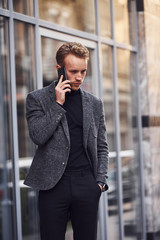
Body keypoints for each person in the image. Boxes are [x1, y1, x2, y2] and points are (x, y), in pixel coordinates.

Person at [24, 42, 109, 240]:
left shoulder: (94, 104)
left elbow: (102, 146)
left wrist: (99, 182)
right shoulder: (37, 99)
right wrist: (57, 104)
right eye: (73, 71)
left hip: (86, 184)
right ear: (59, 69)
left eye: (83, 71)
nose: (79, 77)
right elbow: (38, 136)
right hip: (53, 186)